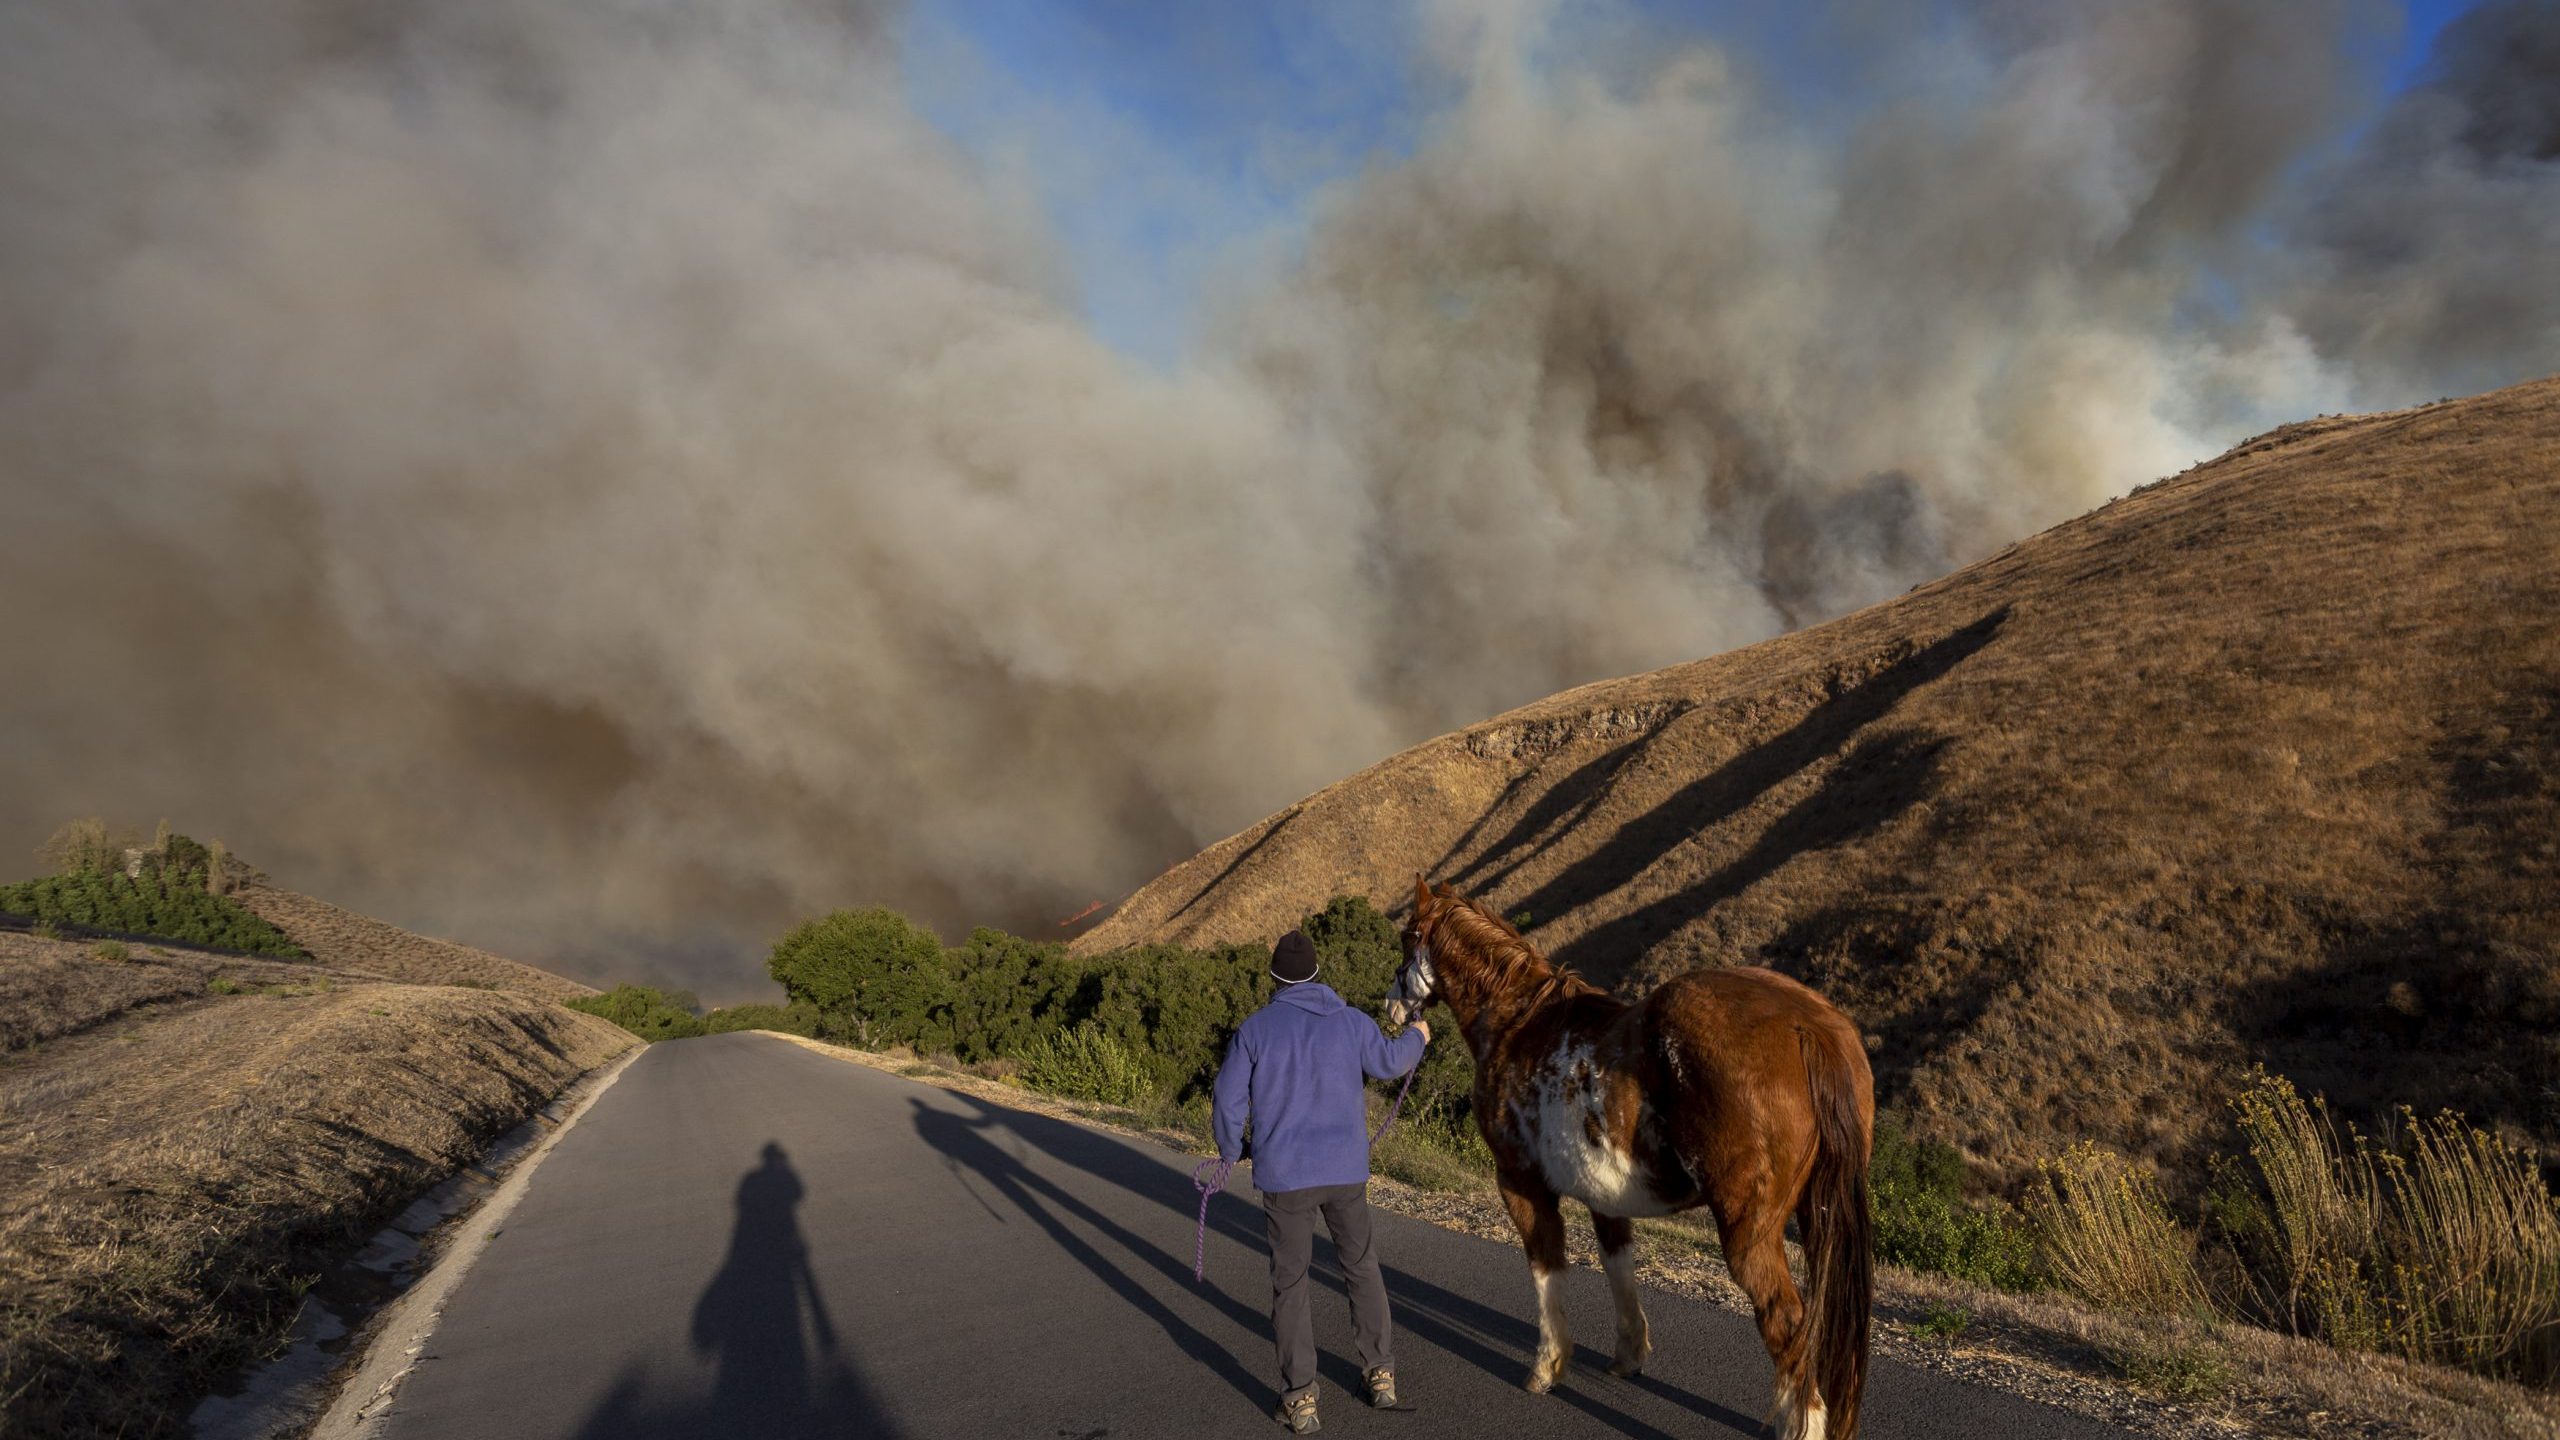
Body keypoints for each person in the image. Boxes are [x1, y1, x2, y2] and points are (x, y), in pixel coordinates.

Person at [1211, 929, 1431, 1434]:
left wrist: (1230, 1151)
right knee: (1360, 1266)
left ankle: (1301, 1400)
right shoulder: (1350, 1022)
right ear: (1316, 974)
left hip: (1285, 1178)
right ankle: (1381, 1377)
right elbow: (1390, 1062)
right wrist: (1418, 1035)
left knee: (1290, 1283)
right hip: (1345, 1172)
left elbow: (1227, 1102)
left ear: (1276, 979)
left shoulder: (1255, 1030)